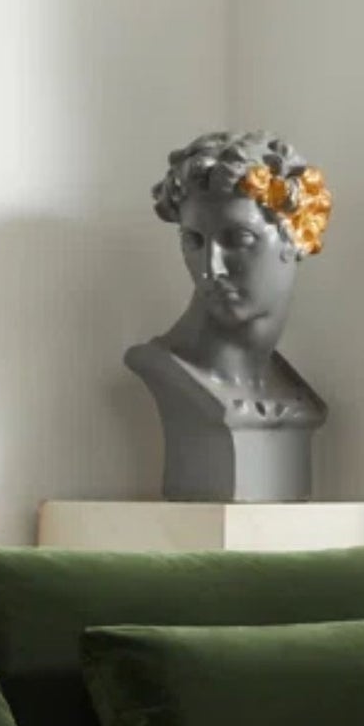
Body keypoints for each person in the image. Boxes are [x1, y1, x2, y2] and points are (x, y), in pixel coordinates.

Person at [124, 132, 333, 503]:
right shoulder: (171, 372)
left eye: (237, 239)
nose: (211, 268)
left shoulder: (295, 395)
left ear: (297, 237)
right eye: (194, 241)